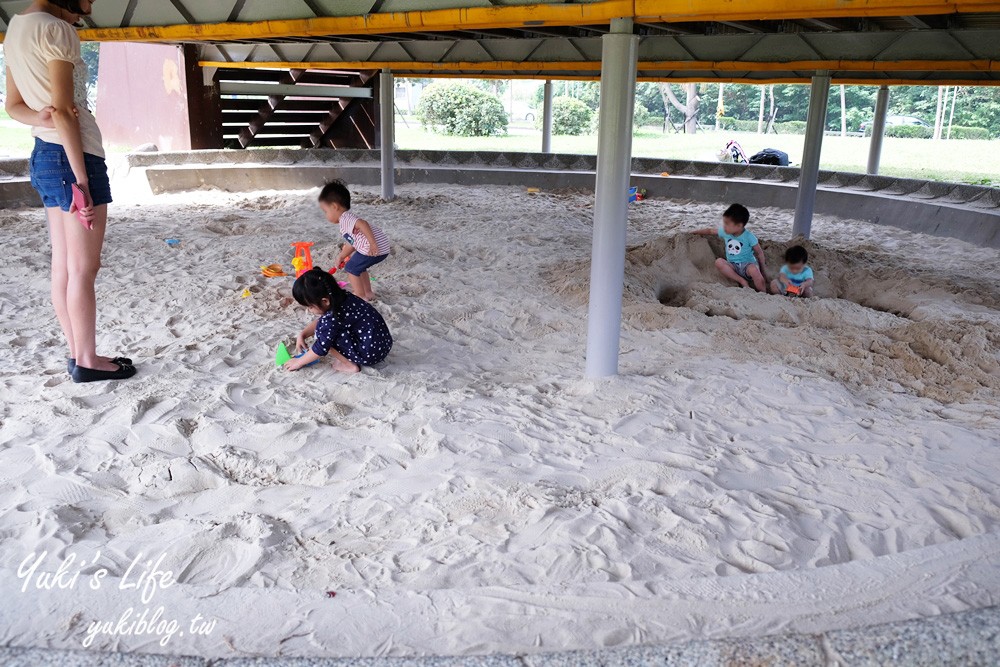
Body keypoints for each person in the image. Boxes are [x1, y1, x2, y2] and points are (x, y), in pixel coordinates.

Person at [4, 0, 135, 382]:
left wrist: (39, 116)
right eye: (86, 1)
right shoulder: (57, 29)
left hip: (43, 154)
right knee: (83, 268)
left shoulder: (16, 28)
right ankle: (87, 361)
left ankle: (79, 353)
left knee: (63, 267)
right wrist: (82, 179)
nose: (89, 7)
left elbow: (14, 106)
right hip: (72, 155)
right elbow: (63, 111)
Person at [285, 268, 393, 374]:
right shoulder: (344, 297)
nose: (309, 310)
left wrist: (298, 362)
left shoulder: (332, 318)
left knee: (323, 335)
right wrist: (302, 335)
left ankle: (349, 365)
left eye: (310, 307)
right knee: (326, 328)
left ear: (325, 301)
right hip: (384, 345)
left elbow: (321, 348)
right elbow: (323, 321)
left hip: (368, 354)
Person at [318, 180, 390, 302]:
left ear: (334, 206)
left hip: (372, 248)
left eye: (326, 211)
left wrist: (373, 244)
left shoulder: (345, 218)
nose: (326, 215)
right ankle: (368, 292)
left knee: (351, 268)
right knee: (359, 267)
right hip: (382, 248)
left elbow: (363, 223)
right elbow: (352, 242)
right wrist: (341, 256)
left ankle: (360, 296)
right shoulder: (346, 221)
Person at [693, 203, 768, 291]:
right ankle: (741, 280)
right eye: (724, 223)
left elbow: (759, 253)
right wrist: (693, 231)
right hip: (733, 266)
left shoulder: (749, 236)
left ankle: (763, 294)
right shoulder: (725, 232)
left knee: (755, 272)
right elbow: (710, 231)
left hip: (748, 266)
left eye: (727, 224)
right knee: (719, 262)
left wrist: (762, 271)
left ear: (739, 226)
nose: (724, 227)